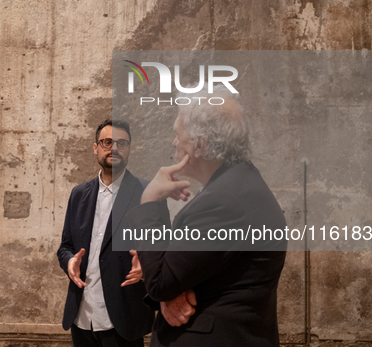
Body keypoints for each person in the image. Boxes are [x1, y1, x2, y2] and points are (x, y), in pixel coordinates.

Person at [126, 88, 287, 346]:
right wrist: (164, 280)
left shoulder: (223, 201)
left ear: (199, 144)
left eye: (178, 135)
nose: (174, 142)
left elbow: (161, 283)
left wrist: (150, 201)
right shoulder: (238, 185)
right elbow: (191, 269)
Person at [57, 119, 158, 347]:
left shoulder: (148, 193)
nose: (114, 148)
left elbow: (163, 247)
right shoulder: (78, 194)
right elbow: (65, 246)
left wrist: (147, 263)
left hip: (123, 315)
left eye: (122, 143)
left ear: (129, 148)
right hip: (81, 315)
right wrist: (70, 261)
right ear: (96, 148)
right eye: (107, 142)